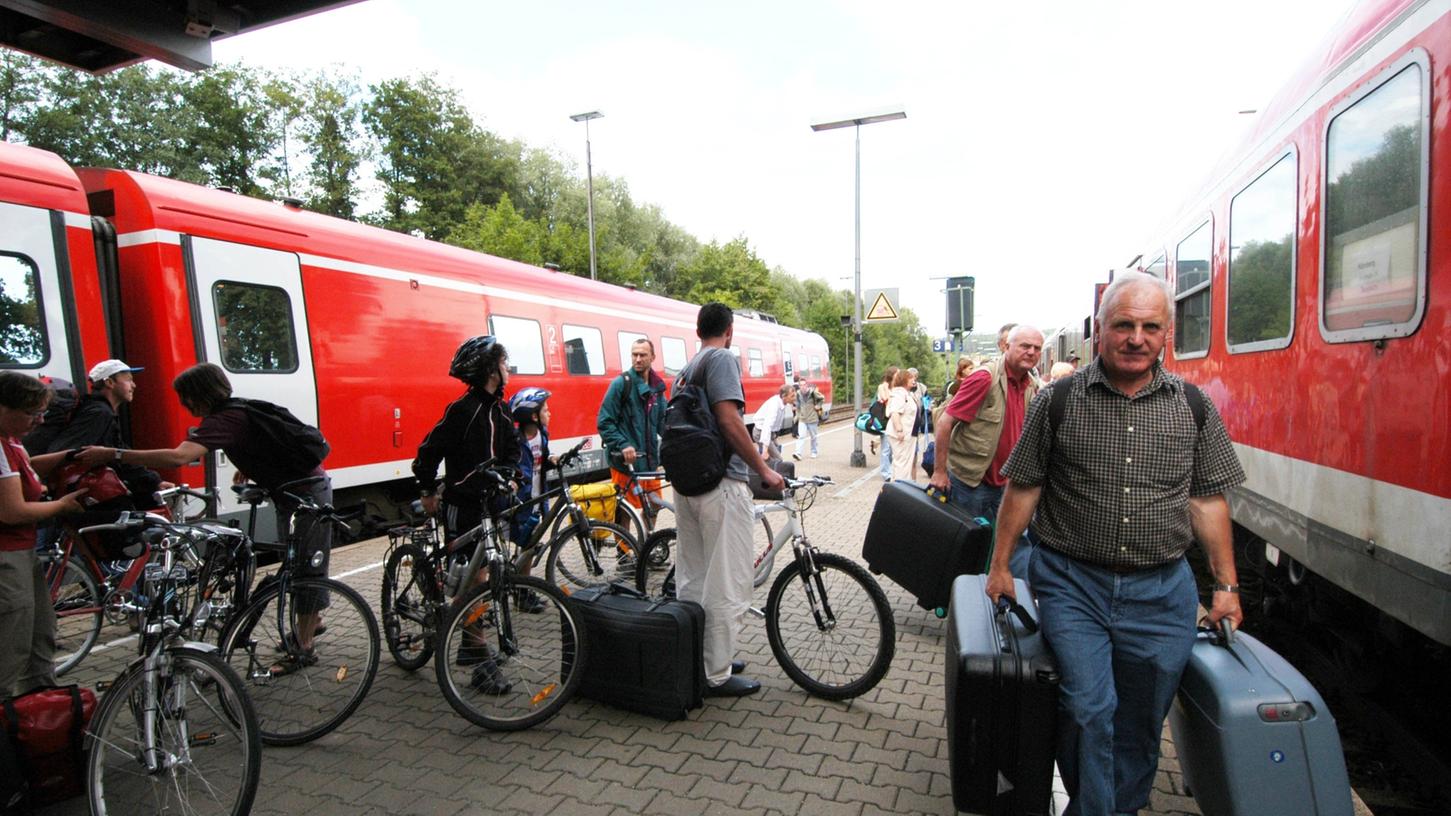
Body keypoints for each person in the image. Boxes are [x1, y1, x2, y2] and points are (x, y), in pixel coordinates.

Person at [986, 271, 1244, 816]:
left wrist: (1226, 586)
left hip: (1162, 592)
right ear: (1099, 331)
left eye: (1150, 327)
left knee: (1141, 720)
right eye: (1123, 325)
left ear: (1166, 333)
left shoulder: (1193, 406)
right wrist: (1001, 564)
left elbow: (1207, 501)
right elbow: (1024, 486)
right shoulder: (1056, 401)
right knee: (1088, 709)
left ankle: (1114, 807)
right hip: (1074, 583)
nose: (1136, 338)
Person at [77, 362, 334, 673]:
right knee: (299, 563)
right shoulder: (238, 411)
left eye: (184, 397)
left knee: (306, 567)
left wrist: (113, 454)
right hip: (296, 491)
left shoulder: (225, 419)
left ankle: (304, 648)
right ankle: (313, 620)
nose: (184, 405)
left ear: (197, 395)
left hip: (305, 493)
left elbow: (179, 456)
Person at [673, 303, 784, 698]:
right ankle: (714, 674)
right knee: (727, 583)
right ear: (730, 330)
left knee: (693, 578)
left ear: (698, 329)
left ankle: (694, 658)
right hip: (721, 484)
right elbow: (728, 420)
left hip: (689, 487)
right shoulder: (721, 358)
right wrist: (764, 470)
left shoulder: (686, 369)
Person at [412, 336, 520, 693]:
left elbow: (511, 452)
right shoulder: (463, 410)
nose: (508, 370)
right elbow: (428, 452)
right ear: (492, 371)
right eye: (504, 364)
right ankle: (479, 656)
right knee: (473, 579)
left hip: (489, 505)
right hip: (463, 504)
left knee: (488, 575)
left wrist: (512, 476)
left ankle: (471, 644)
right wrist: (428, 490)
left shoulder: (501, 411)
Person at [928, 325, 1042, 575]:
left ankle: (1015, 601)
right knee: (967, 542)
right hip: (971, 481)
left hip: (1009, 482)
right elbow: (946, 422)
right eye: (1025, 346)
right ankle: (960, 597)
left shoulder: (1032, 385)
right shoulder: (984, 378)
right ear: (1006, 346)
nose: (1031, 352)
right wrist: (939, 472)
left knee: (1017, 542)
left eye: (1037, 348)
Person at [0, 373, 87, 697]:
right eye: (30, 414)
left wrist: (70, 455)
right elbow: (11, 511)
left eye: (41, 414)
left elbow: (29, 468)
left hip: (20, 555)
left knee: (39, 635)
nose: (37, 422)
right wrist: (61, 506)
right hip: (7, 560)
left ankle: (40, 712)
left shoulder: (10, 440)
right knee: (11, 647)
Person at [28, 359, 169, 509]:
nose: (134, 385)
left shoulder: (101, 411)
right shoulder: (98, 413)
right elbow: (65, 450)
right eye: (128, 380)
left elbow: (118, 451)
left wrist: (154, 481)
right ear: (109, 382)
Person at [597, 338, 667, 512]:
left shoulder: (656, 388)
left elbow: (664, 423)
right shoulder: (621, 384)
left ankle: (650, 539)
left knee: (655, 505)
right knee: (624, 511)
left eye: (643, 355)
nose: (637, 359)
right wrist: (623, 444)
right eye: (634, 354)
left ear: (653, 357)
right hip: (625, 463)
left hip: (649, 462)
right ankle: (625, 540)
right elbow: (604, 422)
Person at [509, 387, 552, 614]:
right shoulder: (516, 441)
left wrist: (552, 459)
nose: (549, 413)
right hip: (523, 500)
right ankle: (521, 593)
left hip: (538, 495)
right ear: (533, 416)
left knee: (530, 545)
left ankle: (523, 589)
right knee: (527, 546)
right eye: (545, 409)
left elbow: (542, 459)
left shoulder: (542, 435)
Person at [883, 369, 917, 482]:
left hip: (908, 434)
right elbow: (895, 412)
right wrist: (899, 430)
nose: (914, 380)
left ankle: (899, 486)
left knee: (903, 462)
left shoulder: (906, 393)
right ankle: (900, 487)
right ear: (903, 379)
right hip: (901, 434)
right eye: (910, 378)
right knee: (902, 463)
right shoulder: (899, 393)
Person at [751, 383, 794, 460]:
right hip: (761, 432)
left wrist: (774, 437)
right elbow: (767, 426)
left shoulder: (782, 402)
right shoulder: (774, 405)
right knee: (778, 459)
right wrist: (765, 450)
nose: (794, 398)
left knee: (775, 453)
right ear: (784, 396)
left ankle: (760, 463)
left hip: (770, 433)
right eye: (792, 396)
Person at [792, 378, 825, 460]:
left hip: (812, 418)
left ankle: (814, 452)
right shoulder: (798, 394)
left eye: (804, 385)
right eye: (801, 385)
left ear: (807, 385)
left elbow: (822, 398)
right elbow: (798, 405)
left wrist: (818, 406)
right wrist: (797, 413)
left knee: (813, 437)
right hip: (802, 419)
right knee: (801, 436)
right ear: (799, 386)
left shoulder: (813, 392)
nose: (802, 387)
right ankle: (798, 453)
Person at [874, 366, 898, 474]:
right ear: (892, 375)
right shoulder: (883, 386)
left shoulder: (897, 387)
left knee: (893, 448)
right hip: (885, 419)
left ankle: (891, 471)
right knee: (886, 448)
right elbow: (886, 399)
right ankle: (886, 473)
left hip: (894, 419)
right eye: (897, 374)